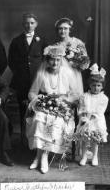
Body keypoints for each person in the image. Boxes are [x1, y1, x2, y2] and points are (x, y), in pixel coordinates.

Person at [26, 45, 78, 174]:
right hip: (45, 105)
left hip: (62, 108)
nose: (55, 63)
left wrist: (64, 101)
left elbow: (75, 95)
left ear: (62, 61)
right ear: (47, 60)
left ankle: (42, 157)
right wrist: (40, 100)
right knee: (39, 118)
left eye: (58, 60)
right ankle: (40, 156)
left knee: (54, 121)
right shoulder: (42, 73)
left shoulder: (68, 74)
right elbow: (32, 93)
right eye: (52, 59)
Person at [8, 13, 47, 141]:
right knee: (23, 110)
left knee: (39, 111)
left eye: (31, 23)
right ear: (23, 24)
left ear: (36, 24)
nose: (29, 25)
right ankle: (24, 140)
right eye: (26, 23)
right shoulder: (16, 41)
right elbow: (11, 61)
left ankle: (37, 140)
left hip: (38, 81)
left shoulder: (42, 40)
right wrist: (20, 74)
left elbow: (46, 61)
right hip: (22, 82)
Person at [77, 63, 108, 166]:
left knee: (95, 139)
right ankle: (84, 156)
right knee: (86, 139)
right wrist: (83, 117)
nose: (96, 88)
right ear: (89, 85)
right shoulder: (84, 96)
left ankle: (95, 156)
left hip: (96, 121)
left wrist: (91, 119)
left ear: (102, 86)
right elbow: (81, 108)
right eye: (93, 85)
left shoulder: (103, 98)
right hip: (85, 120)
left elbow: (99, 111)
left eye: (98, 85)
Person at [54, 17, 88, 95]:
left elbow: (85, 62)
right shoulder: (55, 46)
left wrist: (78, 63)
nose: (63, 31)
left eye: (65, 28)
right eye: (60, 29)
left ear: (70, 30)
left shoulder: (77, 42)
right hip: (61, 76)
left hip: (75, 74)